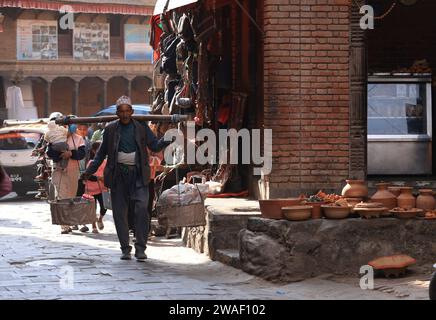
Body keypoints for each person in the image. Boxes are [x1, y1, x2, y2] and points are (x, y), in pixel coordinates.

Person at [81, 96, 171, 261]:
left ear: (131, 112)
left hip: (138, 174)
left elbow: (154, 146)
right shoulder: (111, 130)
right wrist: (89, 171)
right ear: (117, 113)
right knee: (120, 213)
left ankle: (141, 248)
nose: (124, 114)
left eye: (127, 111)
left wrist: (168, 138)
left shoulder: (141, 127)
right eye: (121, 112)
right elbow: (101, 154)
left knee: (142, 209)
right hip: (118, 175)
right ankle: (125, 248)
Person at [47, 124, 86, 234]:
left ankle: (70, 221)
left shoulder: (78, 139)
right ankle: (64, 225)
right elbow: (49, 152)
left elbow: (82, 154)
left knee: (71, 196)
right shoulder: (55, 137)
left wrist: (71, 153)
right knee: (62, 196)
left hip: (73, 171)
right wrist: (59, 154)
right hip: (59, 171)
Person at [82, 141, 107, 234]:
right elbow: (88, 175)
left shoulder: (106, 162)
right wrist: (98, 178)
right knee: (93, 208)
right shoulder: (91, 163)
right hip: (91, 190)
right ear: (93, 151)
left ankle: (100, 219)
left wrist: (105, 179)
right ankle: (93, 225)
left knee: (104, 207)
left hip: (102, 189)